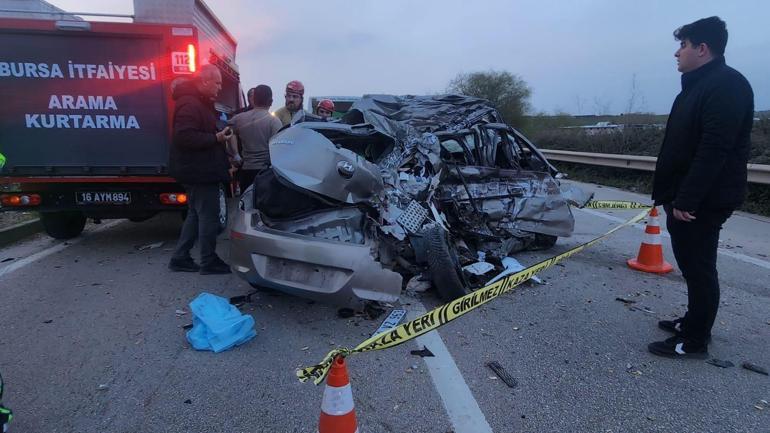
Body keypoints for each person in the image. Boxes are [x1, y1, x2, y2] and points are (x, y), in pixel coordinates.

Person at [648, 16, 753, 358]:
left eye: (684, 45)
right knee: (691, 263)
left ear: (702, 49)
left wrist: (688, 199)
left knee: (699, 265)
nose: (677, 53)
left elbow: (714, 150)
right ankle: (692, 320)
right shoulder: (699, 85)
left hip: (702, 200)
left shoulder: (726, 85)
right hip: (685, 195)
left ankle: (694, 340)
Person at [168, 64, 233, 275]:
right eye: (217, 83)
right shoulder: (189, 104)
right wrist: (216, 138)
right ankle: (208, 260)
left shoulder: (198, 103)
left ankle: (180, 257)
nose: (219, 88)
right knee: (208, 216)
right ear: (204, 81)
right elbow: (184, 136)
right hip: (199, 171)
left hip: (199, 169)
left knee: (196, 215)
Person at [228, 84, 283, 192]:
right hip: (266, 172)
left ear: (254, 99)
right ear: (271, 101)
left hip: (246, 170)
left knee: (247, 204)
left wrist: (235, 154)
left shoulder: (239, 119)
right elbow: (278, 149)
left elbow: (229, 132)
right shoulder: (274, 122)